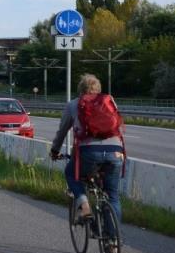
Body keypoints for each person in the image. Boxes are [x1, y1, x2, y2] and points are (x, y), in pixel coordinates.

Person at [50, 73, 124, 224]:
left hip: (89, 152)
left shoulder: (73, 104)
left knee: (71, 174)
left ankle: (84, 206)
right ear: (98, 89)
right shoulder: (109, 101)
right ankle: (112, 243)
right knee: (113, 195)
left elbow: (62, 131)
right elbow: (118, 125)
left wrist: (55, 150)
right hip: (115, 150)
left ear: (80, 90)